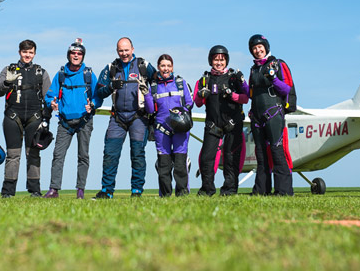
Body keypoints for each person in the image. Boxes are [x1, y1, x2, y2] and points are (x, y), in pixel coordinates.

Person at [94, 37, 156, 199]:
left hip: (139, 117)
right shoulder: (111, 68)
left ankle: (136, 191)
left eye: (126, 50)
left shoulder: (144, 65)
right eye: (121, 50)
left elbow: (158, 83)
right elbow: (99, 92)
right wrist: (110, 87)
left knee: (137, 154)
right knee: (110, 154)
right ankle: (107, 191)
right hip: (117, 118)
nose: (124, 53)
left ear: (133, 49)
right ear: (117, 51)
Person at [43, 39, 102, 199]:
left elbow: (98, 96)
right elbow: (50, 94)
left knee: (83, 155)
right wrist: (52, 102)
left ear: (83, 56)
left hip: (84, 121)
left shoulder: (88, 75)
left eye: (79, 53)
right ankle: (54, 189)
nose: (76, 56)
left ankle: (80, 191)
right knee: (58, 155)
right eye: (73, 53)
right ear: (69, 55)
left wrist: (94, 104)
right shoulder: (61, 74)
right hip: (64, 122)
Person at [0, 39, 51, 198]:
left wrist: (46, 119)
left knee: (33, 154)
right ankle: (8, 192)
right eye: (25, 52)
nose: (27, 55)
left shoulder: (41, 72)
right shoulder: (9, 69)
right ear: (20, 52)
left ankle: (35, 190)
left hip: (35, 117)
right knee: (13, 155)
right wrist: (7, 82)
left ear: (34, 54)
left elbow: (49, 98)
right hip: (13, 116)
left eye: (30, 52)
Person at [194, 45, 249, 196]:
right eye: (216, 59)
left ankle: (229, 190)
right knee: (206, 159)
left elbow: (246, 98)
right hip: (213, 124)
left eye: (222, 60)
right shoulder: (204, 80)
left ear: (226, 61)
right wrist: (201, 94)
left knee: (231, 159)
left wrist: (233, 95)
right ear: (211, 61)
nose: (219, 63)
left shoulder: (233, 78)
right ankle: (207, 190)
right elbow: (197, 103)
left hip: (233, 123)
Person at [248, 34, 294, 196]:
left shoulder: (277, 64)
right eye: (254, 48)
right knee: (260, 153)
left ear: (266, 47)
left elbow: (286, 89)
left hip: (273, 112)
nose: (257, 50)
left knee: (276, 150)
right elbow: (251, 93)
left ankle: (284, 191)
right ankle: (261, 190)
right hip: (257, 115)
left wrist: (274, 78)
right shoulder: (254, 69)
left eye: (260, 47)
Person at [144, 54, 193, 197]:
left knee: (180, 165)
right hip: (161, 130)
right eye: (163, 66)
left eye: (168, 66)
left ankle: (182, 194)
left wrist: (181, 113)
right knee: (163, 166)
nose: (166, 69)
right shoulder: (153, 87)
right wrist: (146, 94)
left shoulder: (180, 82)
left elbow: (189, 103)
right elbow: (150, 110)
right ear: (158, 67)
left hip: (180, 129)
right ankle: (165, 195)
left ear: (172, 67)